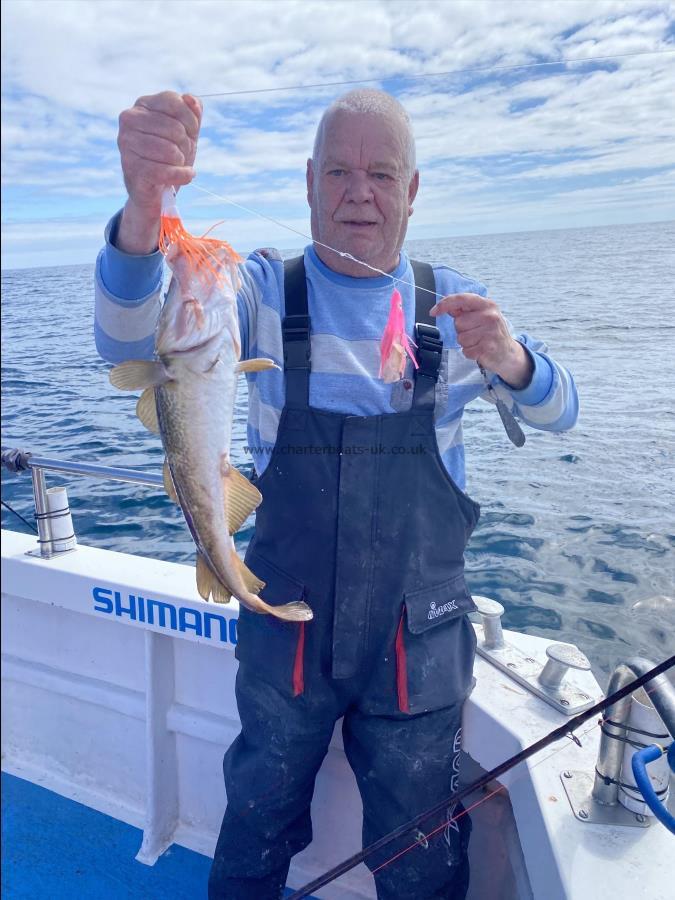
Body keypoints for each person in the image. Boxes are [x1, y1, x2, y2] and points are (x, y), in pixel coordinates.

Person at [95, 88, 578, 899]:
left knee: (416, 841)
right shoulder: (249, 291)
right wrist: (145, 210)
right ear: (309, 182)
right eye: (341, 172)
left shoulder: (451, 303)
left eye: (382, 174)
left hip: (414, 640)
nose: (360, 192)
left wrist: (512, 359)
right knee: (256, 816)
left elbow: (562, 410)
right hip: (284, 620)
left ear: (412, 190)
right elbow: (123, 338)